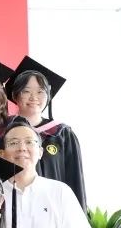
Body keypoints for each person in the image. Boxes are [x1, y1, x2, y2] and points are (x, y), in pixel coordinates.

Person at [5, 57, 87, 208]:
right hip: (14, 210)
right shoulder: (2, 132)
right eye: (26, 91)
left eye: (40, 92)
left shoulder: (62, 134)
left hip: (55, 210)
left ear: (48, 97)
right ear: (15, 95)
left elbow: (75, 179)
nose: (34, 97)